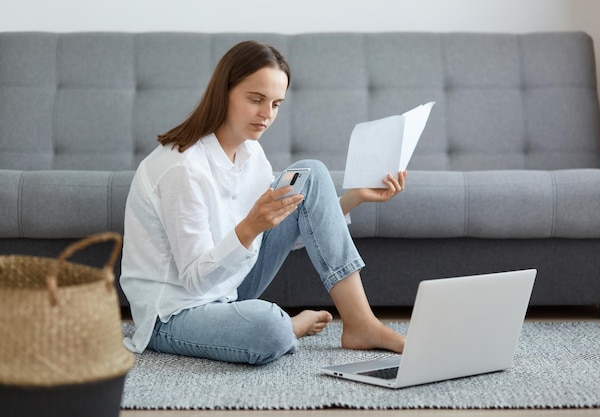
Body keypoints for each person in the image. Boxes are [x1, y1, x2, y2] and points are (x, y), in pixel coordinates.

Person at [120, 40, 407, 365]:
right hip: (174, 312)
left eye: (276, 104)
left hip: (228, 289)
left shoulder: (251, 153)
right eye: (256, 100)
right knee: (269, 328)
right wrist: (251, 227)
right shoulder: (182, 168)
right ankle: (288, 326)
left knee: (311, 172)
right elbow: (194, 280)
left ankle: (360, 323)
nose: (266, 115)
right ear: (223, 92)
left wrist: (353, 199)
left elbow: (296, 228)